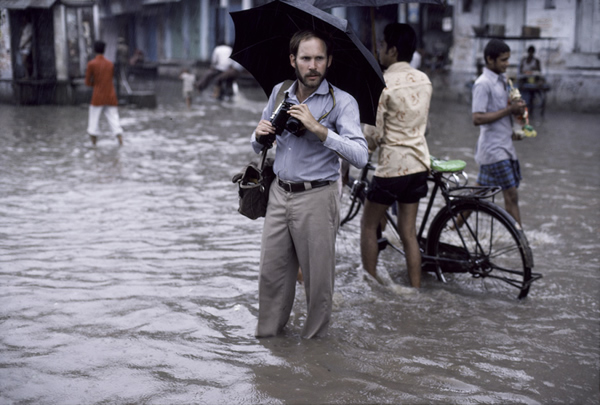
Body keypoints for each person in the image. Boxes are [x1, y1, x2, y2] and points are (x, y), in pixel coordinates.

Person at [251, 30, 368, 339]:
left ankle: (314, 352)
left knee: (318, 283)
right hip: (279, 192)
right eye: (306, 58)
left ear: (329, 61)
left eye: (319, 58)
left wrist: (318, 128)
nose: (312, 65)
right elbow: (256, 144)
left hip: (317, 196)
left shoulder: (342, 102)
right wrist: (259, 135)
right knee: (271, 275)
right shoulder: (280, 92)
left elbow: (361, 156)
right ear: (293, 61)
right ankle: (268, 345)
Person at [360, 23, 432, 289]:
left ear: (392, 49)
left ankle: (370, 285)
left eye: (381, 45)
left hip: (392, 168)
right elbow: (426, 124)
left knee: (368, 225)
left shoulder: (383, 82)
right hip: (419, 164)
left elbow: (373, 133)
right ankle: (415, 289)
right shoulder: (424, 80)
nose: (379, 49)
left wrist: (363, 148)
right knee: (408, 233)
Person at [472, 39, 526, 225]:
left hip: (503, 146)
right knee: (511, 195)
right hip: (495, 149)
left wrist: (517, 112)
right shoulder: (483, 84)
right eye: (503, 60)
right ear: (490, 60)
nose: (507, 64)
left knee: (475, 198)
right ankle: (521, 244)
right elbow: (477, 118)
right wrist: (509, 110)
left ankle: (452, 229)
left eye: (508, 59)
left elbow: (503, 111)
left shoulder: (504, 80)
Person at [85, 40, 124, 146]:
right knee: (114, 121)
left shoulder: (91, 64)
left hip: (97, 97)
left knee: (93, 122)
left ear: (94, 50)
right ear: (104, 50)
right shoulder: (110, 64)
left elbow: (88, 82)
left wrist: (96, 84)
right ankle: (120, 142)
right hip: (110, 96)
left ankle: (94, 146)